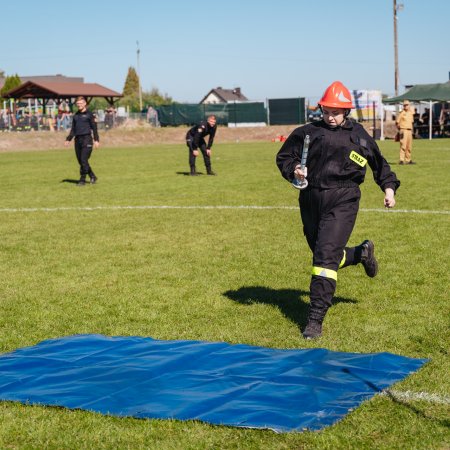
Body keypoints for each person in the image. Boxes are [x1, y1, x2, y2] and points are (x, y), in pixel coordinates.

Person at [276, 81, 400, 339]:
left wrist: (388, 189)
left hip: (344, 199)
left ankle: (315, 319)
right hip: (310, 198)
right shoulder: (307, 132)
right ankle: (361, 254)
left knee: (323, 259)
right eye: (326, 111)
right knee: (326, 253)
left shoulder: (359, 136)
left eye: (336, 112)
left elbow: (379, 165)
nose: (330, 117)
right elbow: (284, 157)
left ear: (346, 112)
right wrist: (294, 170)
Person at [64, 96, 100, 186]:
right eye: (77, 104)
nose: (79, 105)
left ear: (85, 104)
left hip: (87, 139)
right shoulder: (76, 115)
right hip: (77, 140)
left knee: (84, 160)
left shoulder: (90, 115)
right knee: (81, 161)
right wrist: (68, 139)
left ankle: (82, 179)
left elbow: (95, 129)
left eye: (80, 103)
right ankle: (92, 176)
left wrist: (96, 140)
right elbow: (73, 129)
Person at [395, 100, 415, 165]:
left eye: (407, 105)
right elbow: (397, 122)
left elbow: (412, 121)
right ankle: (401, 159)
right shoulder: (402, 113)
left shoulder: (410, 113)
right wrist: (400, 129)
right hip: (403, 130)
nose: (406, 106)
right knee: (403, 145)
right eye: (405, 105)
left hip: (409, 130)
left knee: (409, 146)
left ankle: (408, 159)